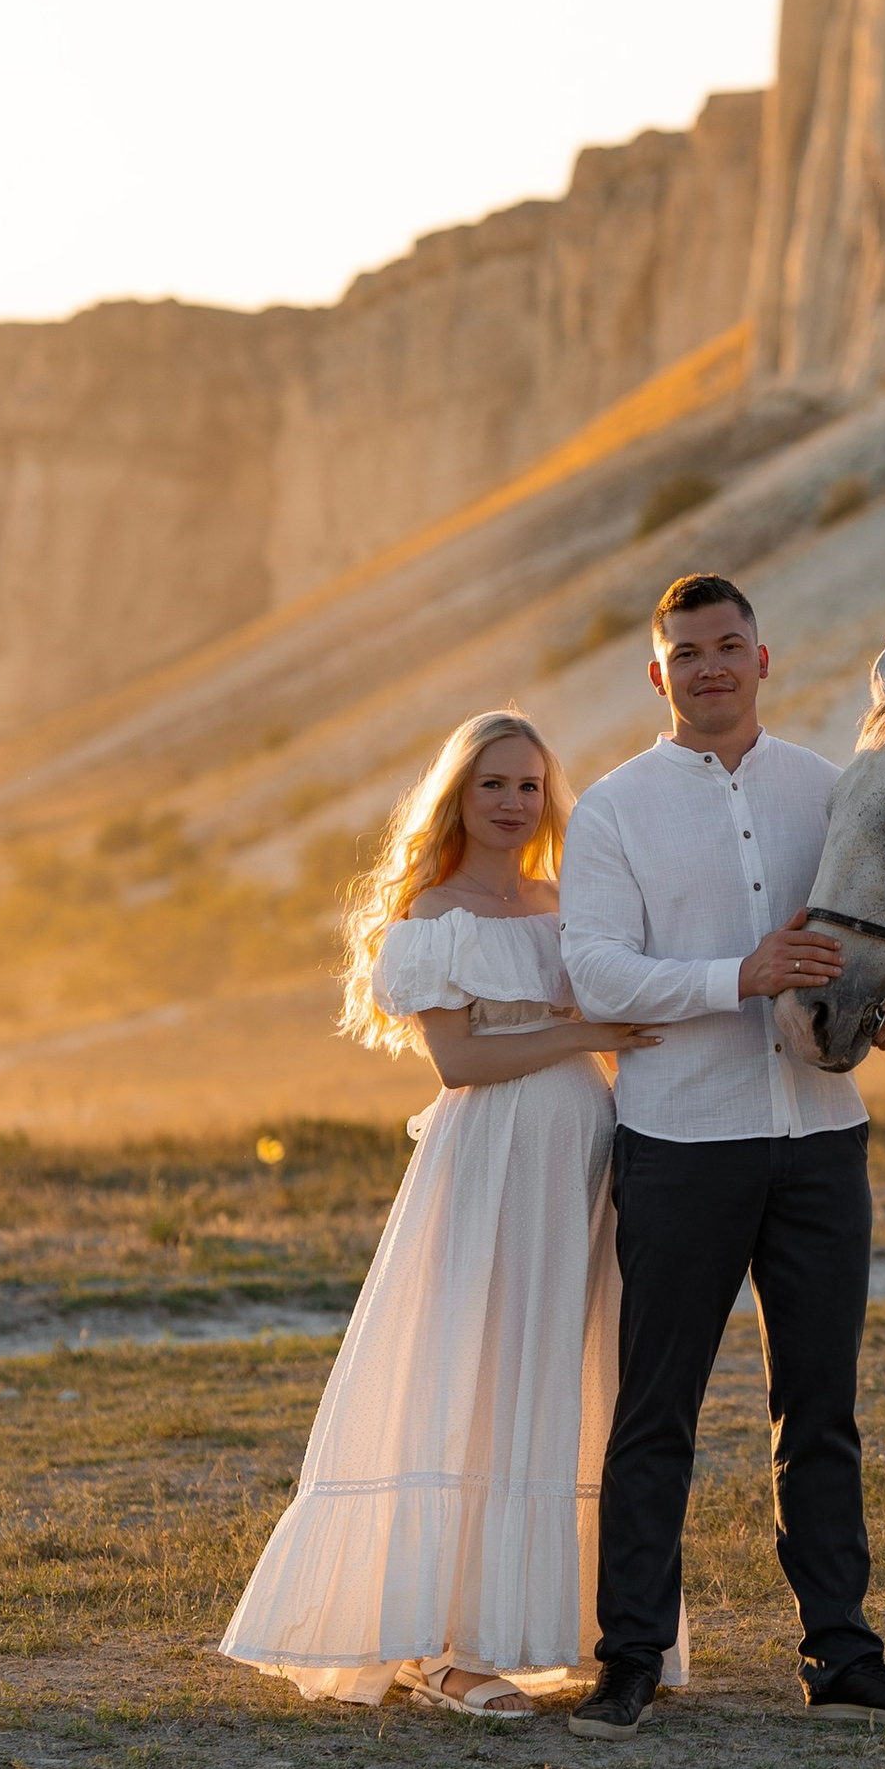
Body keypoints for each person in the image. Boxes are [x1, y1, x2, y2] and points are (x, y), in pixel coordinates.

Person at [557, 571, 885, 1741]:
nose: (711, 668)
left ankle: (842, 1656)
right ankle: (629, 1660)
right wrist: (739, 976)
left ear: (762, 658)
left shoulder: (829, 792)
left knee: (820, 1411)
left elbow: (882, 926)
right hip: (681, 1144)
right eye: (687, 653)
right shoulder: (615, 810)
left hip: (822, 1141)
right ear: (658, 674)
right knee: (656, 1412)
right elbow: (596, 971)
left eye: (728, 646)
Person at [222, 711, 670, 1715]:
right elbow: (460, 1060)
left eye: (528, 786)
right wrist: (583, 1030)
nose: (513, 803)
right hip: (490, 1163)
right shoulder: (435, 916)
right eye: (491, 785)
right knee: (476, 1377)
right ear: (457, 799)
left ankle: (558, 1629)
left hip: (580, 1159)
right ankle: (446, 1650)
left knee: (561, 1375)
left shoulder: (570, 904)